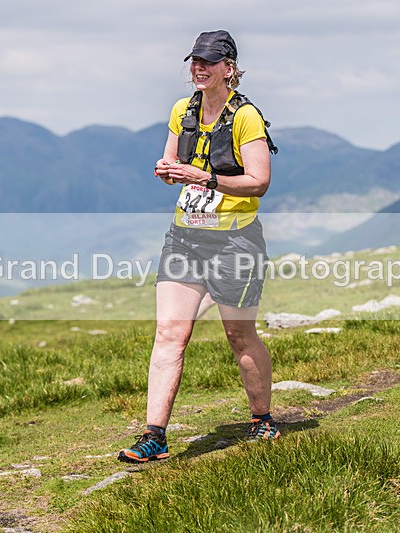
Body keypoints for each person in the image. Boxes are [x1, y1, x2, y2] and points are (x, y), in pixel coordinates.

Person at [118, 30, 280, 463]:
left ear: (229, 68)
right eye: (195, 60)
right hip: (185, 236)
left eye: (208, 61)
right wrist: (167, 172)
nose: (199, 68)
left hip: (235, 241)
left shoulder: (246, 117)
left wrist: (205, 177)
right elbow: (174, 165)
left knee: (239, 334)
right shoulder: (182, 110)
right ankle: (154, 436)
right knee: (170, 332)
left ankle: (262, 420)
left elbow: (259, 182)